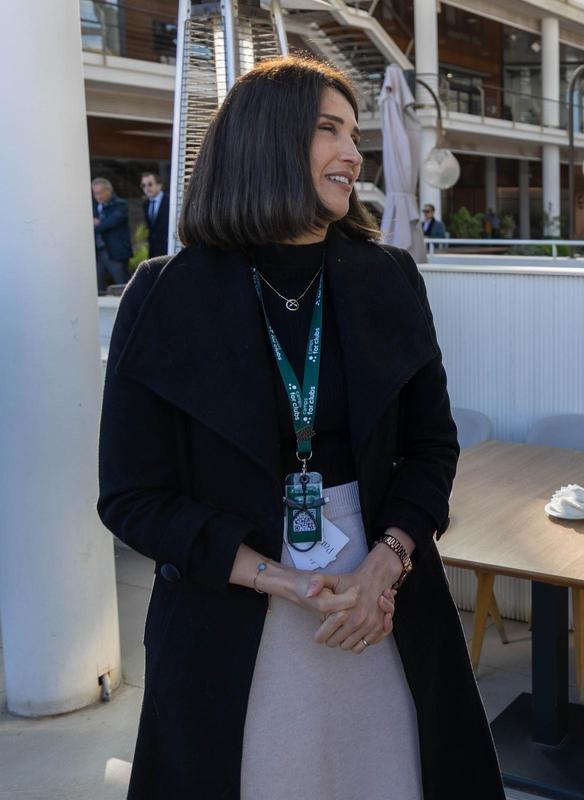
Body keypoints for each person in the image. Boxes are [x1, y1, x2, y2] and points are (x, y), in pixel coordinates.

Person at [98, 56, 504, 800]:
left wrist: (385, 564)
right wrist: (280, 577)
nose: (353, 154)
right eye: (329, 130)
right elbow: (131, 497)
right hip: (228, 601)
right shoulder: (164, 295)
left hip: (383, 598)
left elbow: (431, 447)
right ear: (265, 141)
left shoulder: (389, 277)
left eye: (354, 133)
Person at [93, 177, 131, 291]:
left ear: (109, 190)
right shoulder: (92, 206)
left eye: (101, 192)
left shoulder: (120, 204)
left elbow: (110, 223)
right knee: (98, 288)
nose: (98, 196)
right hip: (97, 253)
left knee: (123, 286)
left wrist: (96, 223)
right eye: (95, 193)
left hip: (115, 253)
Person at [140, 171, 169, 258]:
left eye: (150, 184)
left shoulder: (170, 202)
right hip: (153, 250)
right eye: (143, 185)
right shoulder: (145, 203)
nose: (147, 188)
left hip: (168, 249)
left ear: (159, 185)